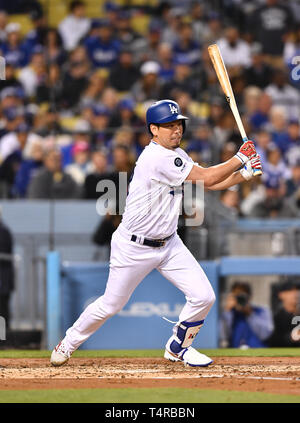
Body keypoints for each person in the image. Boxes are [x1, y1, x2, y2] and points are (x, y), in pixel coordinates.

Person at [50, 99, 262, 368]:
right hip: (133, 246)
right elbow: (208, 177)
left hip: (169, 244)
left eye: (179, 124)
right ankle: (67, 343)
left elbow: (206, 184)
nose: (176, 130)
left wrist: (243, 175)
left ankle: (178, 348)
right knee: (111, 305)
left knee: (204, 296)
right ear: (153, 129)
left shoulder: (177, 155)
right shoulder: (157, 157)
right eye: (169, 125)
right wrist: (240, 158)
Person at [219, 282, 273, 348]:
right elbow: (223, 336)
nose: (240, 299)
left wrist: (250, 314)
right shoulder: (230, 314)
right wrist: (227, 311)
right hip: (235, 353)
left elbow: (265, 335)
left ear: (249, 297)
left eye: (242, 296)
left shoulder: (262, 311)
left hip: (258, 351)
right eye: (237, 296)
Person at [268, 281, 300, 347]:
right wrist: (291, 337)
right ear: (281, 294)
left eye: (297, 290)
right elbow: (273, 342)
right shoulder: (276, 318)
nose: (295, 293)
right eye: (290, 290)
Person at [0, 208, 14, 330]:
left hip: (3, 280)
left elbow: (3, 253)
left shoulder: (3, 231)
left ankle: (3, 339)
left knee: (2, 311)